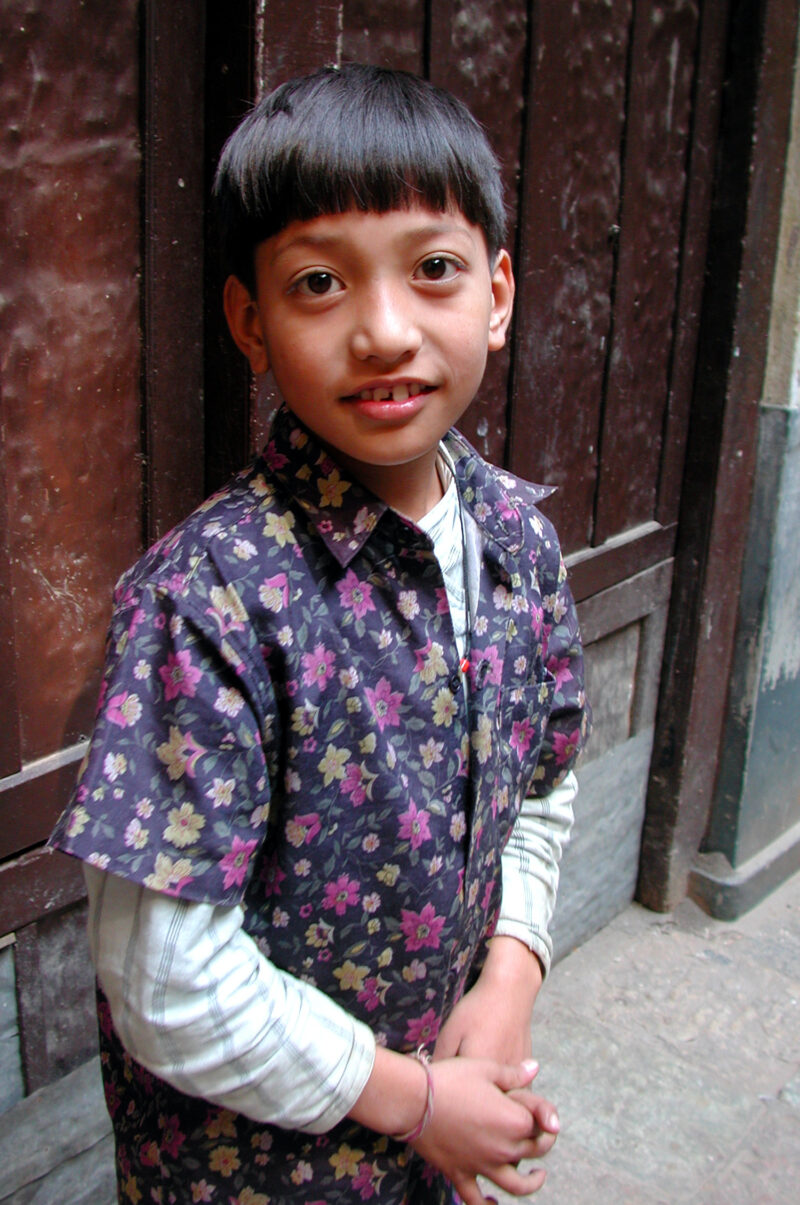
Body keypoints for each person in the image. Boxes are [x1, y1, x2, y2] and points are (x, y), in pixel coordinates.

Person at [50, 63, 590, 1205]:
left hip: (436, 1103)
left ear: (495, 293)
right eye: (317, 283)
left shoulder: (514, 540)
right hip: (253, 1168)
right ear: (251, 319)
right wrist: (416, 1098)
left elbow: (543, 779)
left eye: (432, 269)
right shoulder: (208, 603)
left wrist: (509, 973)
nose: (384, 329)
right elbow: (166, 978)